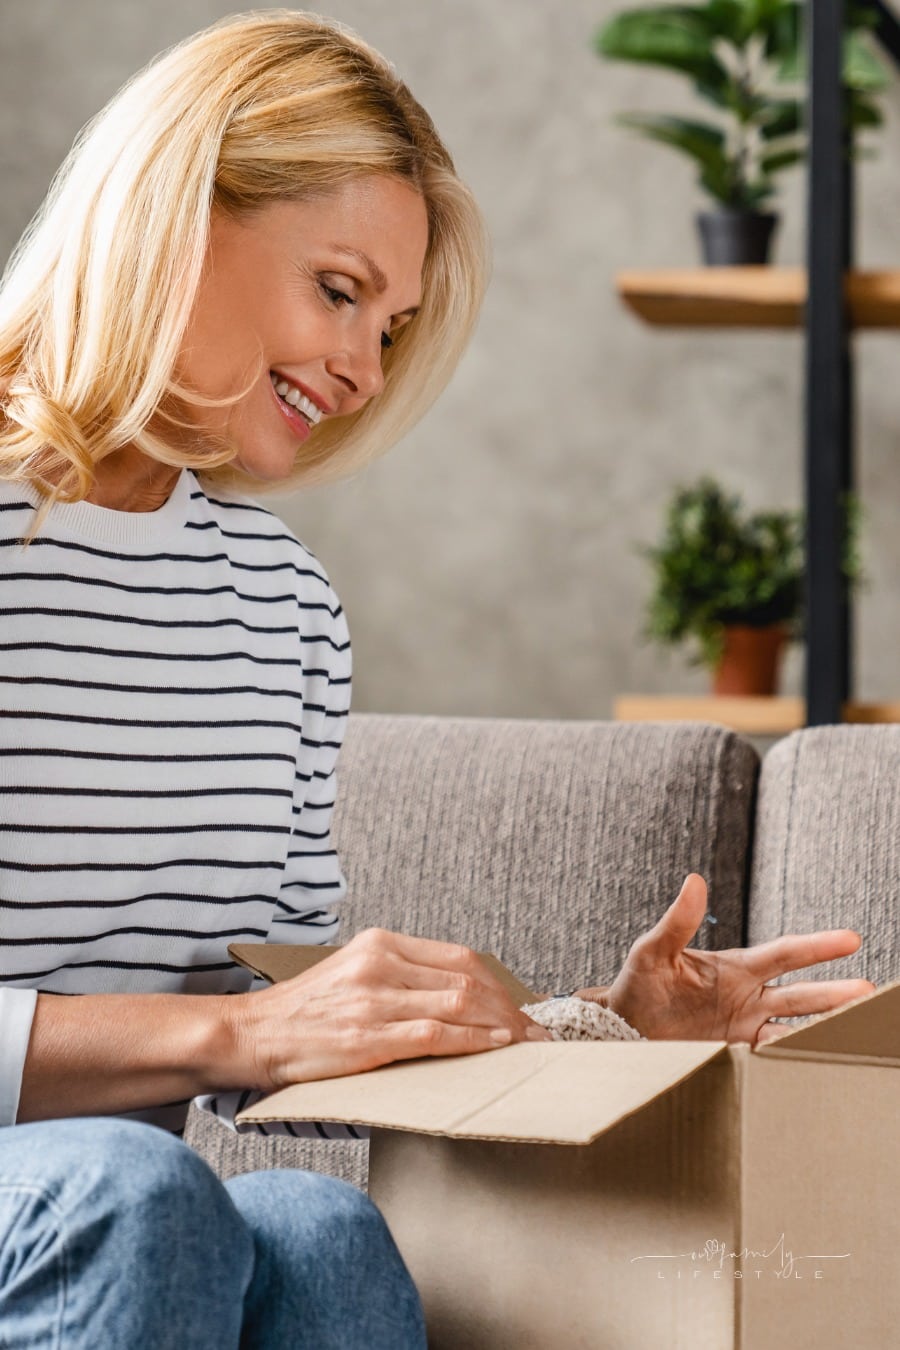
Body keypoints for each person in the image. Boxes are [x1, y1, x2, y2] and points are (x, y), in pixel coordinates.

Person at [0, 10, 874, 1348]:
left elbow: (266, 1036)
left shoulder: (284, 609)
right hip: (107, 1211)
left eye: (390, 326)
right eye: (338, 289)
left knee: (319, 1227)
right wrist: (240, 1042)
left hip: (117, 1227)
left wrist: (596, 1027)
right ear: (177, 213)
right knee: (134, 1185)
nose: (361, 368)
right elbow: (236, 1045)